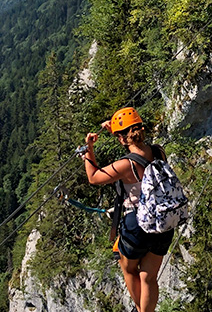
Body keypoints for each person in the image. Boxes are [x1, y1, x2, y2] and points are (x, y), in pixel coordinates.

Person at [83, 107, 173, 312]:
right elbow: (137, 150)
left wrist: (89, 150)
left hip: (138, 223)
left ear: (123, 138)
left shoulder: (126, 165)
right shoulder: (159, 151)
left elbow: (94, 177)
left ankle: (139, 309)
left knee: (129, 269)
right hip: (163, 220)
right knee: (149, 277)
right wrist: (117, 132)